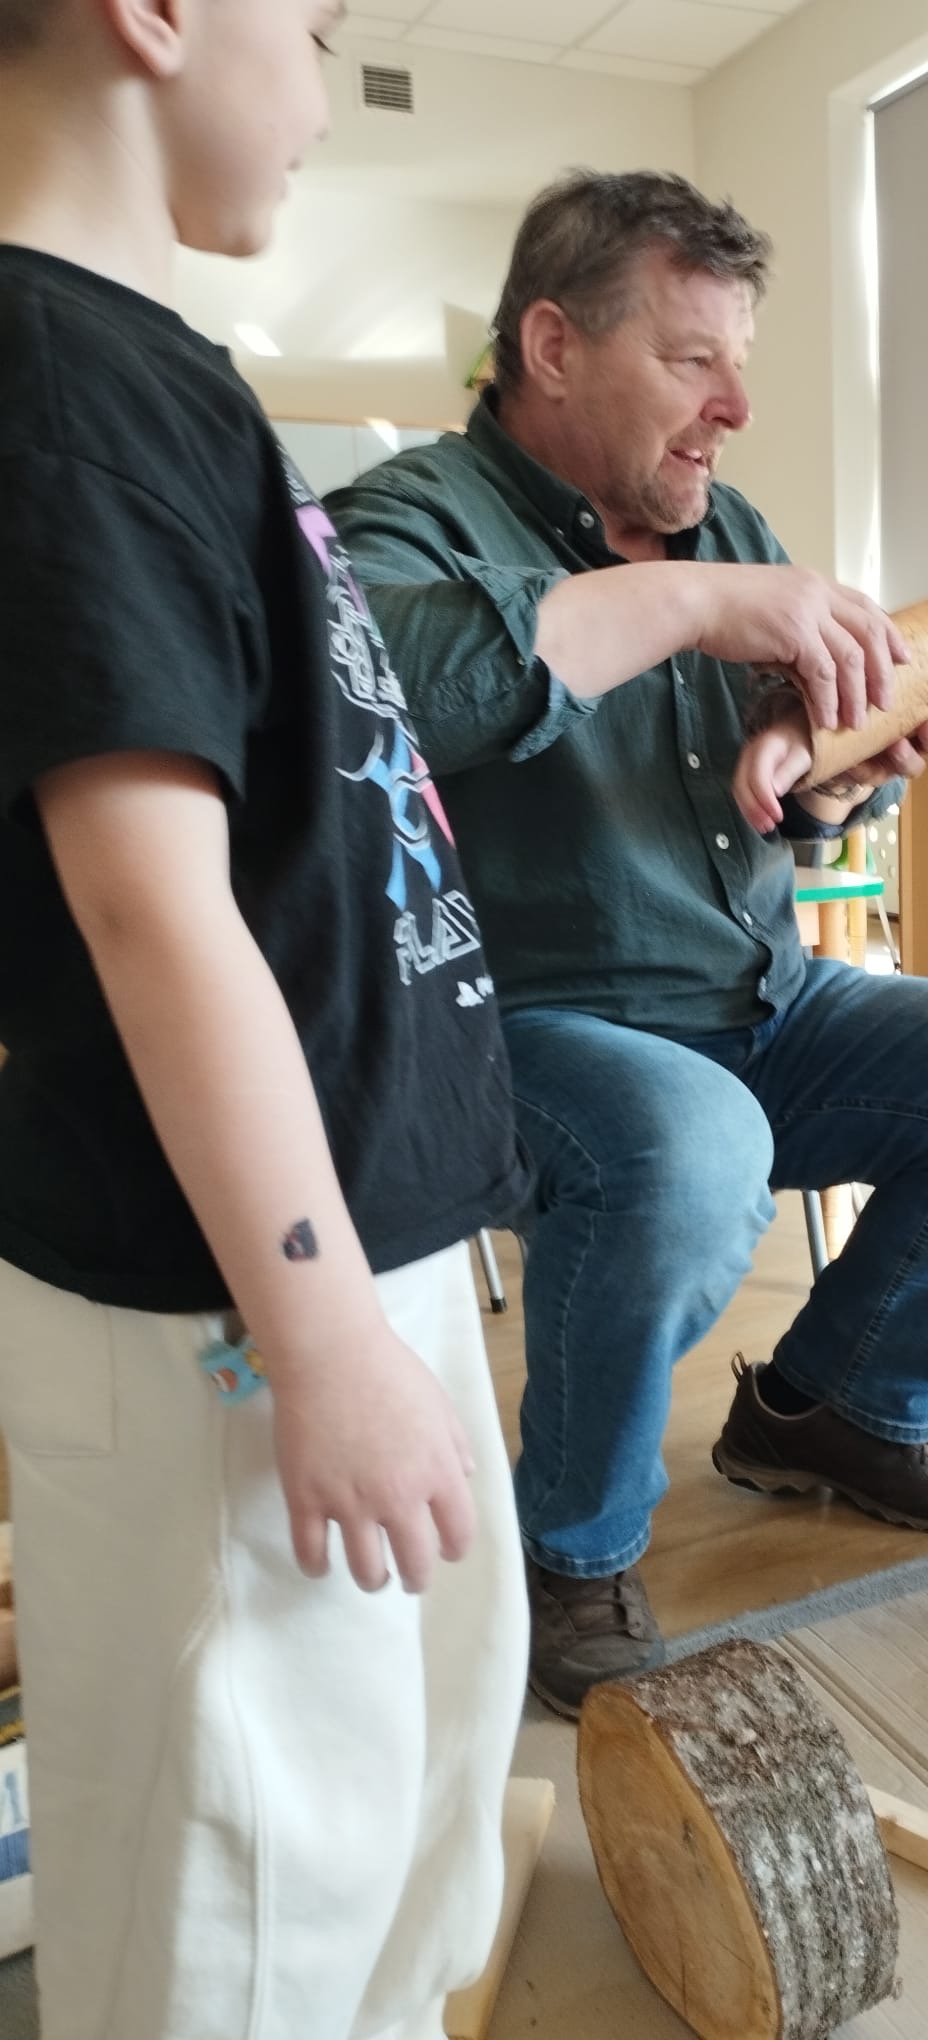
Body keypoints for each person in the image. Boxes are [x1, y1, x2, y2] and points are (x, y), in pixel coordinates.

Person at [328, 170, 928, 1719]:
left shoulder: (726, 526)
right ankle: (569, 1550)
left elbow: (778, 808)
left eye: (740, 362)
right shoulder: (408, 519)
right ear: (554, 346)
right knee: (688, 1145)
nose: (734, 406)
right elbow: (392, 691)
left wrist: (840, 786)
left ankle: (831, 1407)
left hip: (763, 1003)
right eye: (691, 358)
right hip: (528, 1033)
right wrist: (695, 599)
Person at [0, 5, 534, 2033]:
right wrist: (312, 1333)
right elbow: (148, 904)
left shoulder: (151, 373)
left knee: (411, 1791)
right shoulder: (53, 378)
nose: (321, 88)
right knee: (246, 1861)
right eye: (313, 26)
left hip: (339, 1243)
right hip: (232, 1298)